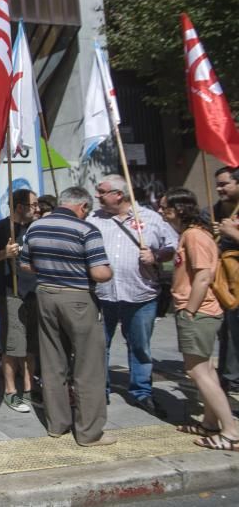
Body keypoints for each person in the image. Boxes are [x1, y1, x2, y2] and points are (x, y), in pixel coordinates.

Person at [21, 186, 115, 446]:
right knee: (89, 366)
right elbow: (99, 273)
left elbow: (25, 264)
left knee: (52, 363)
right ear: (82, 206)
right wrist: (110, 271)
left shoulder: (36, 228)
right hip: (78, 298)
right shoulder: (87, 230)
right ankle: (89, 433)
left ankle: (57, 425)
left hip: (45, 294)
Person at [89, 174, 177, 415]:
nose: (97, 195)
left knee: (140, 346)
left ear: (119, 195)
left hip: (140, 294)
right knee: (98, 346)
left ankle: (141, 392)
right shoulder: (94, 219)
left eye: (102, 191)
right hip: (103, 294)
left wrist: (157, 256)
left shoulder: (149, 218)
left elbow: (173, 246)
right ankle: (99, 391)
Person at [159, 188, 239, 450]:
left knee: (196, 371)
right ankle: (210, 422)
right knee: (206, 370)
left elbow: (204, 276)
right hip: (201, 310)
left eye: (165, 207)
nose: (161, 211)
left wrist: (189, 310)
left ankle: (231, 431)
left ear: (179, 209)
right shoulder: (192, 234)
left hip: (199, 311)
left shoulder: (194, 235)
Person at [0, 189, 40, 413]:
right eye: (33, 205)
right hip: (11, 292)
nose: (37, 208)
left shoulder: (37, 227)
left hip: (34, 292)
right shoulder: (1, 228)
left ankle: (30, 387)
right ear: (20, 207)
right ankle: (11, 391)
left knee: (32, 346)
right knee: (13, 345)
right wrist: (4, 253)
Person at [213, 166, 239, 396]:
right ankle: (228, 380)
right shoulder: (212, 212)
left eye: (224, 184)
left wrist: (233, 234)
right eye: (217, 185)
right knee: (228, 335)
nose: (219, 189)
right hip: (225, 287)